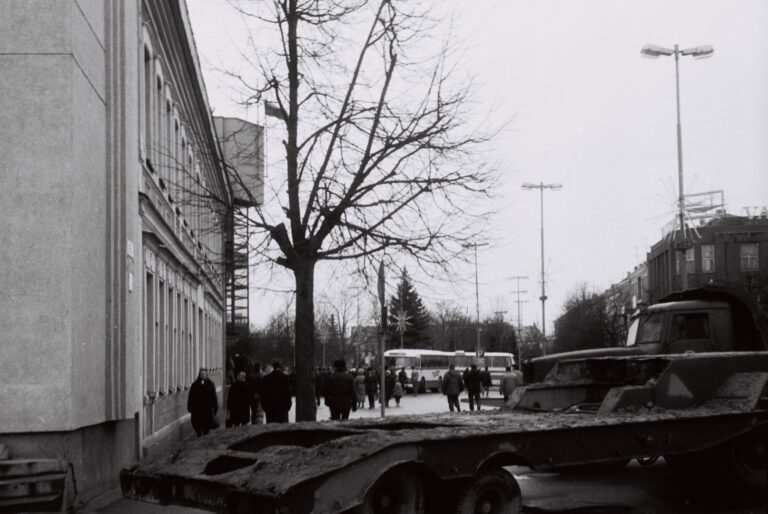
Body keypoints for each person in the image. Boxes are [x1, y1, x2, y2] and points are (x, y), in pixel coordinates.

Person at [187, 368, 219, 436]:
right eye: (201, 374)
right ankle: (199, 437)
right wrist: (190, 407)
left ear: (207, 375)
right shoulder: (195, 385)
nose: (202, 376)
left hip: (207, 410)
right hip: (197, 410)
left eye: (204, 374)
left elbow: (214, 397)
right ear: (199, 375)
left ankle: (205, 442)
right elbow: (191, 397)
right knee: (198, 428)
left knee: (206, 429)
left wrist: (215, 407)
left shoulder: (210, 384)